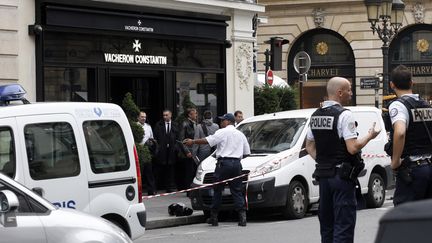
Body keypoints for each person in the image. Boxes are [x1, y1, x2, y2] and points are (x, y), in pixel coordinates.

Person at [305, 77, 379, 243]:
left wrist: (325, 162)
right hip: (341, 178)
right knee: (343, 226)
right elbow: (352, 147)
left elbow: (309, 146)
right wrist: (370, 135)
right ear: (340, 93)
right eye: (349, 90)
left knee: (327, 226)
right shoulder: (345, 115)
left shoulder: (315, 115)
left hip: (324, 177)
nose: (351, 93)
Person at [183, 113, 251, 227]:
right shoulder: (240, 134)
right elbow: (246, 153)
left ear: (228, 121)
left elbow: (207, 141)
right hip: (236, 165)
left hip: (223, 165)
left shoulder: (222, 132)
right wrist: (235, 159)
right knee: (237, 191)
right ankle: (242, 218)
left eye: (223, 120)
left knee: (217, 190)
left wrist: (193, 142)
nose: (221, 122)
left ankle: (214, 217)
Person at [387, 65, 432, 206]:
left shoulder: (398, 105)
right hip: (429, 167)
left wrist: (395, 162)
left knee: (405, 218)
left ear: (392, 85)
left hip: (413, 170)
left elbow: (400, 133)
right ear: (412, 83)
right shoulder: (425, 105)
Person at [153, 109, 180, 193]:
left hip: (171, 151)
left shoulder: (175, 125)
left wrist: (176, 147)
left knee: (170, 170)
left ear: (170, 115)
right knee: (159, 170)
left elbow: (178, 138)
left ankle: (169, 187)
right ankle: (156, 188)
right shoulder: (159, 125)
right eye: (164, 115)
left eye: (166, 115)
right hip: (162, 151)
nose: (165, 117)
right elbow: (155, 137)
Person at [179, 107, 200, 189]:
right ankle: (189, 189)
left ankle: (193, 188)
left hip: (195, 151)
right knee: (189, 172)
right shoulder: (185, 124)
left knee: (195, 171)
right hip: (189, 151)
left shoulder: (195, 123)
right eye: (195, 113)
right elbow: (182, 139)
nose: (196, 115)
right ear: (190, 115)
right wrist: (187, 151)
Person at [137, 111, 156, 195]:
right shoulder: (135, 126)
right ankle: (138, 191)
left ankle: (151, 190)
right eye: (142, 117)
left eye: (144, 117)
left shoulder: (148, 127)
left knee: (149, 172)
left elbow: (152, 138)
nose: (143, 118)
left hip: (147, 152)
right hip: (138, 152)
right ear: (138, 117)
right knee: (139, 172)